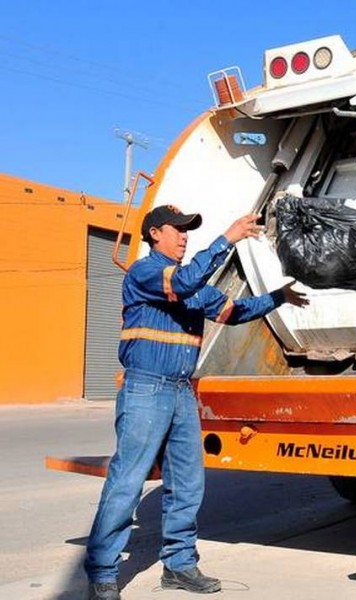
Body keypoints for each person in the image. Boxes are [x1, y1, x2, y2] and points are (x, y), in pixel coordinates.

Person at [84, 205, 308, 600]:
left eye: (188, 231)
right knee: (128, 481)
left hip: (181, 392)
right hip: (146, 389)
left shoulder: (190, 286)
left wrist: (278, 297)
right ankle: (103, 570)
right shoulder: (145, 273)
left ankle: (180, 565)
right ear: (155, 234)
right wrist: (228, 238)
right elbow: (184, 282)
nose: (185, 236)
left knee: (187, 483)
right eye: (178, 230)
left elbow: (232, 312)